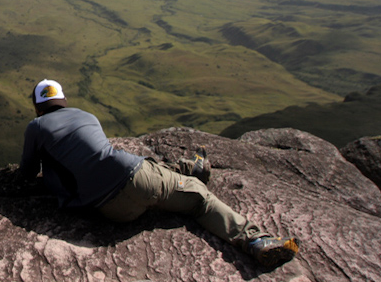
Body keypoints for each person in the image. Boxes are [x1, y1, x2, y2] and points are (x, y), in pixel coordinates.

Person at [19, 79, 300, 268]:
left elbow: (28, 172)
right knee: (199, 198)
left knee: (146, 169)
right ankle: (254, 240)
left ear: (37, 105)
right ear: (64, 101)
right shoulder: (87, 116)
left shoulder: (36, 127)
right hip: (137, 178)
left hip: (108, 209)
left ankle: (191, 167)